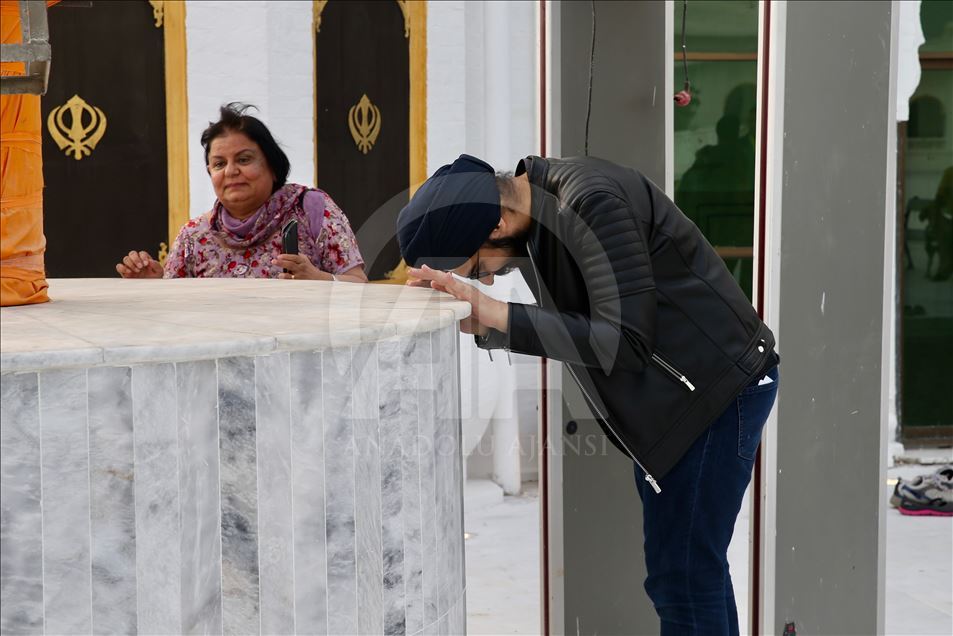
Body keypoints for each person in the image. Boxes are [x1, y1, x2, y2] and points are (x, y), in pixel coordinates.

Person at [397, 154, 780, 635]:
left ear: (495, 222)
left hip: (714, 395)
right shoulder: (538, 220)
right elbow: (581, 327)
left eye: (479, 268)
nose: (489, 280)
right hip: (676, 404)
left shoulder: (591, 202)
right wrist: (491, 326)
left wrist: (497, 312)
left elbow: (625, 340)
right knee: (688, 574)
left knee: (682, 580)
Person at [116, 103, 367, 283]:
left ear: (272, 165)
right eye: (219, 164)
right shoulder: (194, 236)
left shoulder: (311, 208)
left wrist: (320, 280)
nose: (230, 171)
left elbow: (359, 285)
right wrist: (153, 284)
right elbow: (175, 314)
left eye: (244, 159)